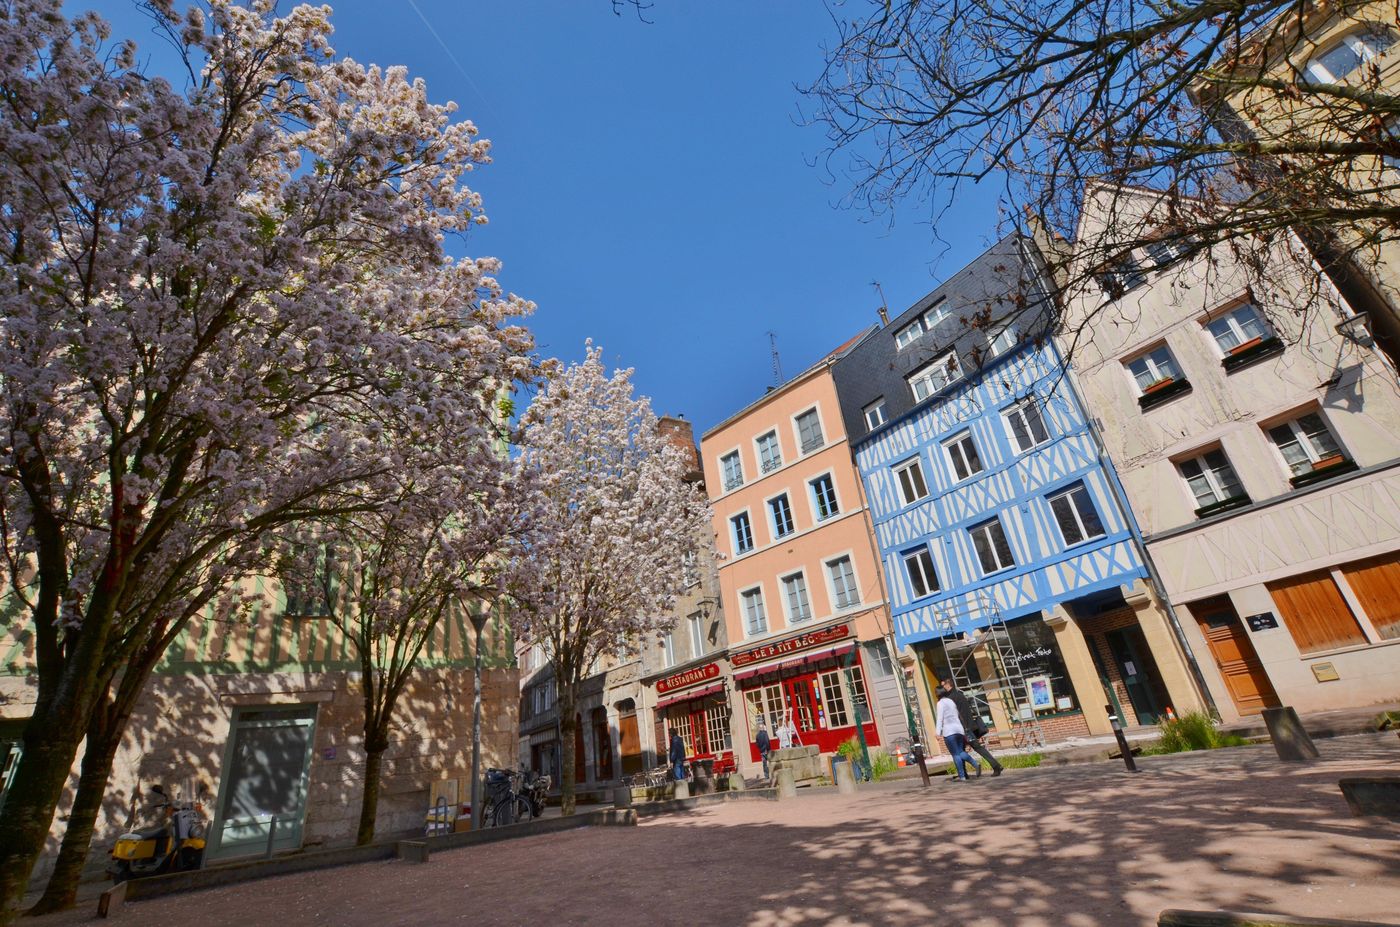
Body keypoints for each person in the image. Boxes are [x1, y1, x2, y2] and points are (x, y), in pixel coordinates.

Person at [940, 678, 1004, 777]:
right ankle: (964, 773)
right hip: (968, 726)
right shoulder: (960, 695)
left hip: (963, 729)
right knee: (964, 750)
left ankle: (995, 766)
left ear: (948, 685)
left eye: (943, 685)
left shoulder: (951, 699)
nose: (942, 688)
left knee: (966, 749)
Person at [935, 685, 981, 782]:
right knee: (960, 752)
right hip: (959, 730)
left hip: (949, 731)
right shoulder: (951, 701)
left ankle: (962, 776)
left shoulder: (940, 703)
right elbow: (957, 715)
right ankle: (975, 764)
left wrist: (937, 733)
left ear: (937, 694)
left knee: (955, 754)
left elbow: (940, 718)